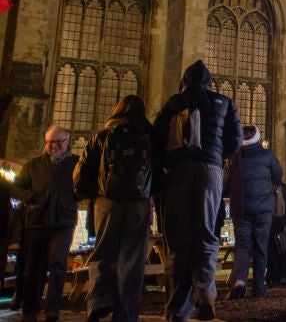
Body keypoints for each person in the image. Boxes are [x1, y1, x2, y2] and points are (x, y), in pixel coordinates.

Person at [152, 59, 242, 322]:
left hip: (179, 171)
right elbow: (235, 140)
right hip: (210, 170)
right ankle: (205, 295)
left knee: (178, 241)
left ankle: (177, 309)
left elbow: (157, 139)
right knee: (206, 235)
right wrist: (216, 157)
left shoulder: (173, 103)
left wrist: (166, 167)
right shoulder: (224, 102)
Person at [73, 94, 155, 322]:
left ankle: (98, 303)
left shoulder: (102, 136)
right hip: (138, 203)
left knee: (102, 253)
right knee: (133, 258)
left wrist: (97, 194)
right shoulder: (149, 137)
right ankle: (126, 312)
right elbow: (159, 172)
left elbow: (79, 176)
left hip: (106, 203)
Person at [10, 125, 79, 322]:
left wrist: (73, 199)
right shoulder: (33, 164)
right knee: (33, 267)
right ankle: (30, 307)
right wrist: (30, 198)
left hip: (63, 222)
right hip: (37, 221)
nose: (54, 146)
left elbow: (85, 185)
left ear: (67, 142)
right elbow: (16, 187)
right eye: (50, 142)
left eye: (58, 142)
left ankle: (52, 309)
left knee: (57, 265)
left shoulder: (76, 164)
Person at [225, 124, 282, 300]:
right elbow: (278, 175)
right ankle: (259, 290)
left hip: (241, 208)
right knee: (260, 248)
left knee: (242, 246)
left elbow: (226, 185)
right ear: (258, 138)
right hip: (264, 209)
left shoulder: (234, 158)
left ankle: (240, 281)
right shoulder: (268, 155)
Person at [265, 180, 286, 287]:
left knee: (271, 249)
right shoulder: (282, 185)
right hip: (282, 222)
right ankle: (283, 274)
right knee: (282, 248)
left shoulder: (266, 184)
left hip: (269, 221)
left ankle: (272, 275)